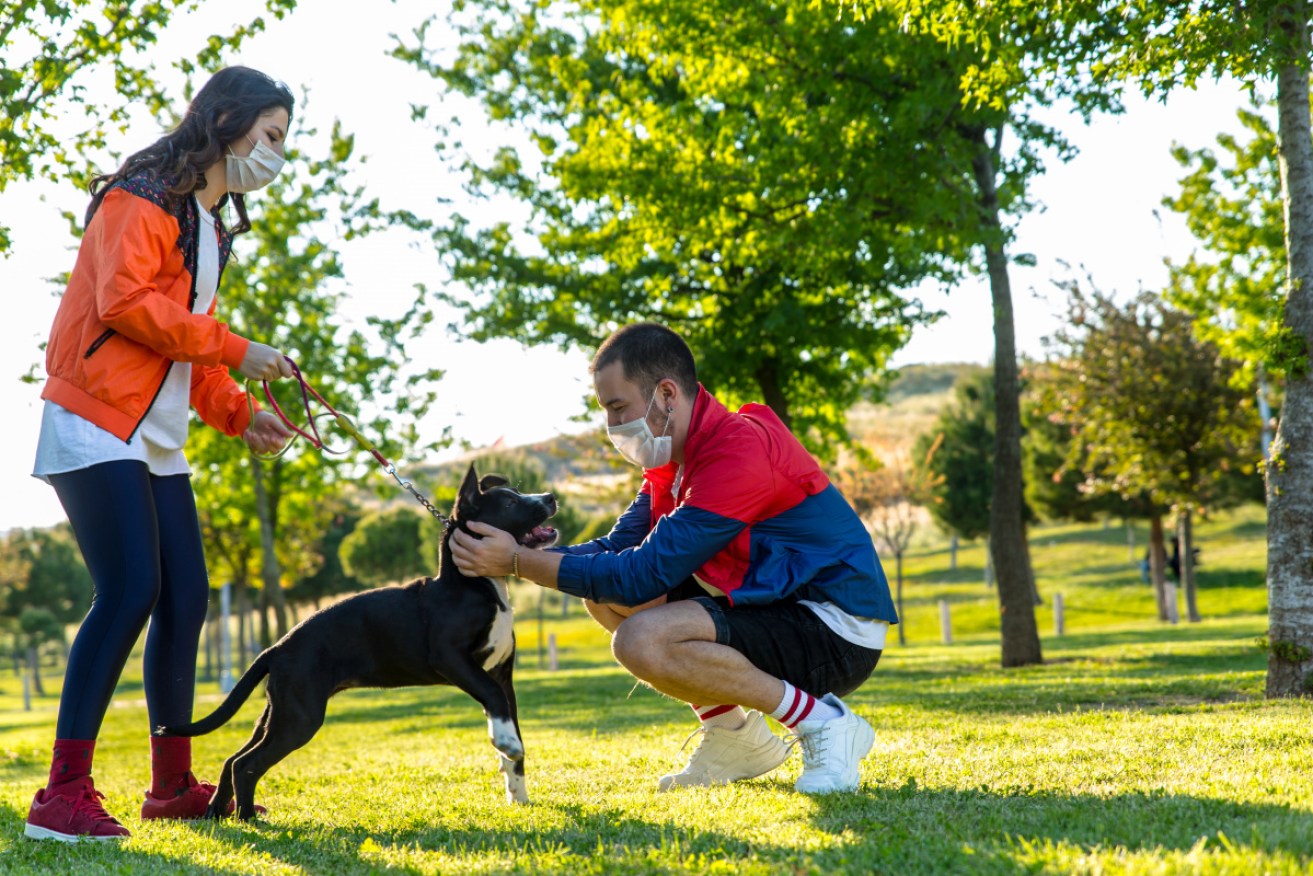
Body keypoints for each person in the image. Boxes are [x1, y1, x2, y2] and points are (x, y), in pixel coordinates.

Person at [24, 67, 298, 842]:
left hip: (154, 438)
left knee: (186, 597)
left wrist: (238, 412)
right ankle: (61, 796)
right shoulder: (139, 195)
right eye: (270, 136)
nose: (277, 155)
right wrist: (241, 348)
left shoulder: (208, 227)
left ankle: (171, 785)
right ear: (224, 121)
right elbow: (126, 304)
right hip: (93, 419)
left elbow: (191, 350)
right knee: (131, 587)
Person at [450, 322, 897, 794]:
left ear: (666, 394)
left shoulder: (736, 452)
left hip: (835, 630)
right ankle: (736, 737)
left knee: (640, 638)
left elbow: (644, 575)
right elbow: (615, 552)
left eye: (618, 407)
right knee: (600, 596)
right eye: (606, 411)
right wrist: (510, 550)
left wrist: (516, 563)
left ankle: (825, 723)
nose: (611, 426)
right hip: (776, 608)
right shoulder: (672, 460)